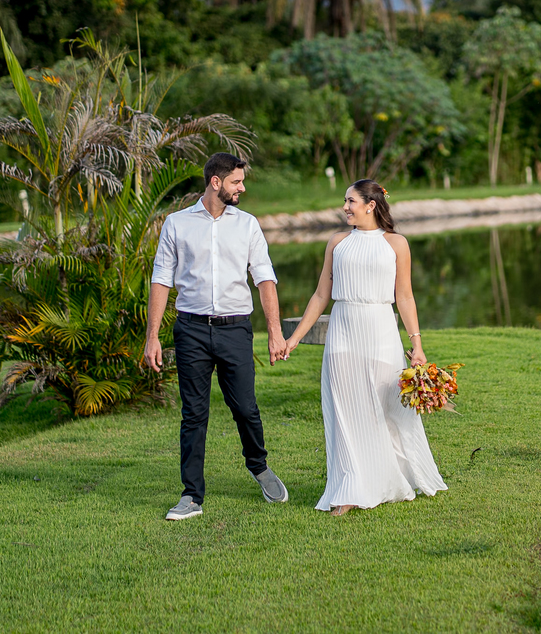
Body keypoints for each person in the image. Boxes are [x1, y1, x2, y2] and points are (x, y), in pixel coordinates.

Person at [282, 179, 447, 516]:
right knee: (345, 411)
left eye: (351, 201)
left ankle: (390, 477)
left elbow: (405, 296)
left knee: (387, 409)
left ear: (371, 205)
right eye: (345, 201)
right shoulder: (337, 242)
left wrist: (417, 346)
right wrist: (295, 338)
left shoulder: (396, 243)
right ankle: (349, 488)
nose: (345, 207)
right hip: (342, 331)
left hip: (380, 331)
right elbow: (321, 295)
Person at [144, 152, 289, 521]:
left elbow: (265, 279)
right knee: (194, 414)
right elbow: (161, 279)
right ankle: (191, 495)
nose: (242, 188)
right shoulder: (177, 224)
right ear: (215, 182)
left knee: (245, 408)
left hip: (235, 329)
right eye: (236, 182)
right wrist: (152, 336)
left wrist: (274, 332)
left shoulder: (248, 225)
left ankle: (258, 466)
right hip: (191, 330)